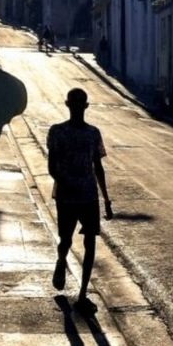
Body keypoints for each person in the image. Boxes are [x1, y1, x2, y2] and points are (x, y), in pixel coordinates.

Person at [47, 88, 113, 314]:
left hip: (80, 195)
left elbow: (54, 168)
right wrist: (106, 200)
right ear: (85, 106)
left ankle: (82, 291)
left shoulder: (83, 133)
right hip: (76, 195)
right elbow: (53, 167)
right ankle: (64, 264)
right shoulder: (64, 132)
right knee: (74, 241)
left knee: (83, 241)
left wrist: (105, 199)